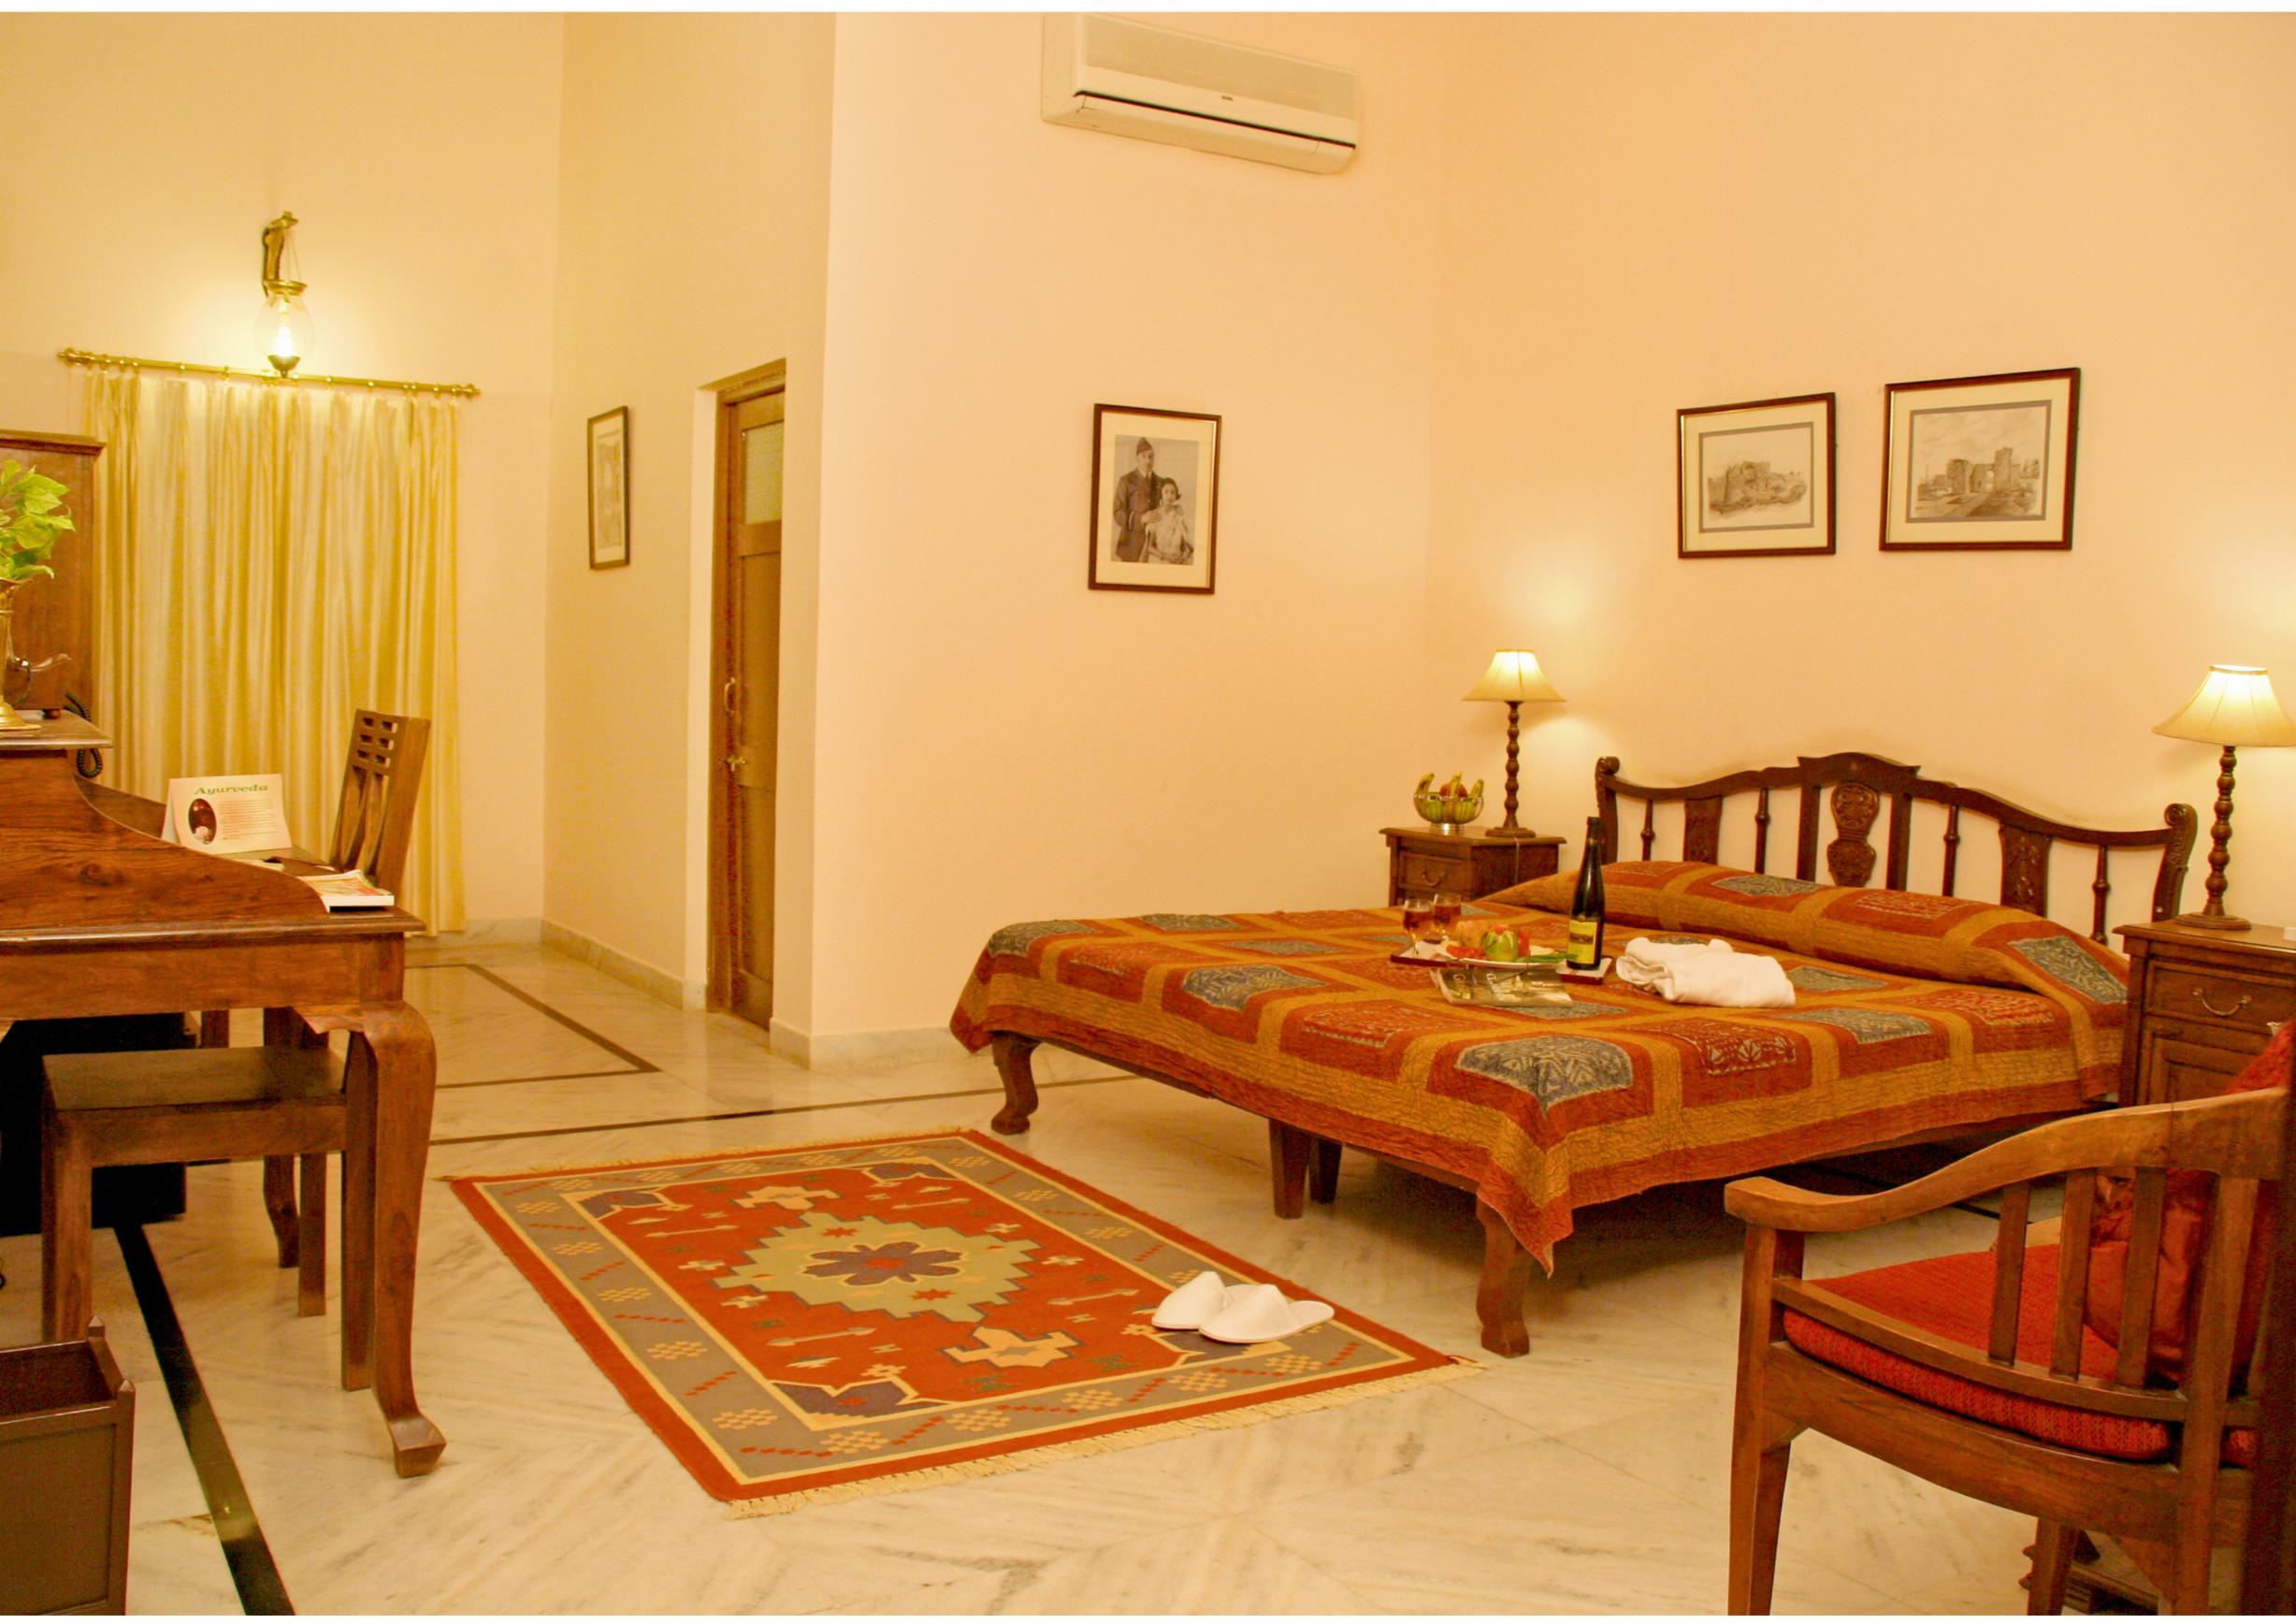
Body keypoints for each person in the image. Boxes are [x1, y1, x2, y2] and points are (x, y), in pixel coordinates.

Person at [1110, 438, 1161, 562]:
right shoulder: (1126, 480)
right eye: (1144, 456)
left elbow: (1167, 504)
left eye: (1151, 456)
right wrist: (1141, 519)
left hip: (1155, 545)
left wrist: (1176, 509)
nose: (1148, 461)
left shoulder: (1160, 482)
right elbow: (1117, 512)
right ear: (1137, 458)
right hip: (1130, 544)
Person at [1143, 477, 1191, 564]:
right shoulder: (1155, 515)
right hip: (1159, 560)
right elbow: (1149, 547)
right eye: (1166, 492)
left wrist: (1184, 555)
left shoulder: (1180, 515)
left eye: (1172, 492)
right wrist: (1167, 558)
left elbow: (1186, 544)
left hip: (1177, 560)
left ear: (1176, 496)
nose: (1169, 496)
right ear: (1161, 494)